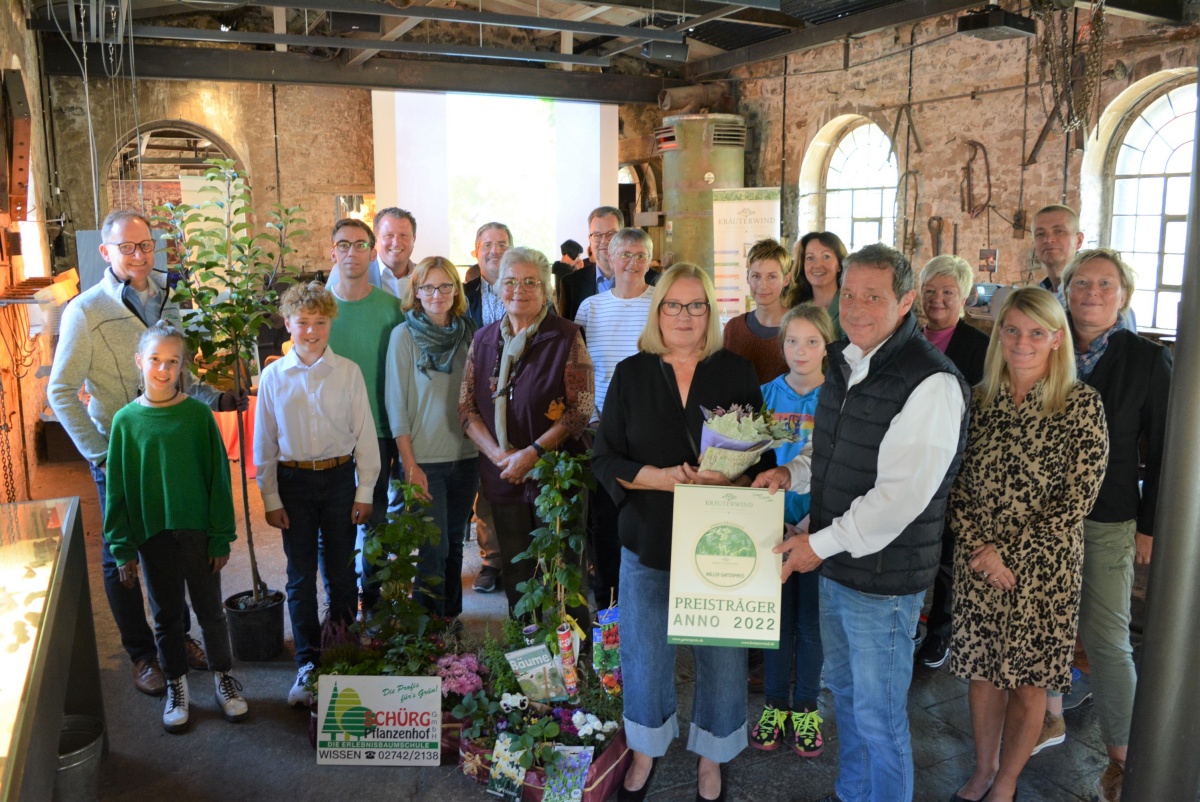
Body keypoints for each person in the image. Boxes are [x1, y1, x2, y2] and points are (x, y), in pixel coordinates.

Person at [753, 243, 969, 802]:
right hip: (838, 565)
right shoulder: (845, 361)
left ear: (904, 302)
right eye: (849, 294)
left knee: (879, 717)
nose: (855, 307)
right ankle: (852, 793)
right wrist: (790, 476)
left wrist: (816, 544)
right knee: (844, 697)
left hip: (882, 578)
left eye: (873, 296)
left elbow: (899, 498)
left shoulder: (930, 382)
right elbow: (831, 455)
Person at [592, 263, 775, 802]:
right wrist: (661, 480)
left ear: (710, 314)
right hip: (648, 534)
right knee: (645, 652)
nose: (685, 316)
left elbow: (755, 455)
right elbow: (607, 458)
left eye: (697, 306)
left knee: (720, 653)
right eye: (674, 305)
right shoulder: (631, 373)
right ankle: (646, 747)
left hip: (720, 540)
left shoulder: (736, 373)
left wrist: (731, 475)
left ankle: (712, 756)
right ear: (658, 311)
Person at [47, 209, 242, 696]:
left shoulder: (168, 299)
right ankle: (141, 654)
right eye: (128, 247)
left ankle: (176, 640)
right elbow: (61, 390)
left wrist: (213, 399)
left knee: (175, 545)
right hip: (123, 450)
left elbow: (179, 371)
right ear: (106, 251)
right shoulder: (85, 311)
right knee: (124, 554)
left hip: (172, 443)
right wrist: (101, 454)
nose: (139, 255)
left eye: (147, 245)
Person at [948, 288, 1108, 802]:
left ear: (1056, 339)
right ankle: (982, 768)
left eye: (1036, 332)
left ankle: (1008, 781)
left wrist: (1007, 555)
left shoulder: (1082, 405)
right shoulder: (977, 399)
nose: (1022, 342)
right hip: (978, 562)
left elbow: (1076, 499)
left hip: (1043, 570)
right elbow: (954, 483)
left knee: (1029, 680)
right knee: (981, 673)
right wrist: (981, 550)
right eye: (1012, 330)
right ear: (999, 336)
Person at [1053, 249, 1171, 802]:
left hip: (1108, 515)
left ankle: (1124, 759)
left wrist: (1150, 526)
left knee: (1105, 637)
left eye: (1105, 284)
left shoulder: (1146, 360)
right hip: (1043, 517)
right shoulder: (1048, 345)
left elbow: (1164, 449)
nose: (1092, 293)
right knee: (1044, 628)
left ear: (1121, 295)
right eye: (1082, 282)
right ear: (1068, 289)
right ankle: (1044, 720)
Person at [104, 321, 250, 733]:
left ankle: (223, 678)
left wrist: (221, 534)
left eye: (172, 362)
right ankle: (176, 684)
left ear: (183, 366)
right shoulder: (126, 422)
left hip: (198, 534)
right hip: (153, 536)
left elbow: (217, 480)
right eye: (155, 360)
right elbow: (118, 491)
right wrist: (122, 548)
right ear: (139, 362)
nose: (163, 370)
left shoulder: (197, 416)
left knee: (211, 612)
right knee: (167, 616)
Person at [253, 282, 380, 707]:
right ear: (287, 324)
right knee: (300, 574)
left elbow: (365, 437)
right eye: (302, 322)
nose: (311, 331)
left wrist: (365, 490)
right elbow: (264, 442)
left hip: (341, 479)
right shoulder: (273, 377)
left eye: (320, 322)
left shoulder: (348, 373)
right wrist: (270, 497)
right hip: (295, 484)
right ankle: (308, 663)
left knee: (344, 573)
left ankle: (341, 649)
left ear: (331, 323)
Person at [459, 247, 594, 617]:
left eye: (531, 282)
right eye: (511, 281)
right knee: (519, 576)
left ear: (547, 289)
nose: (520, 289)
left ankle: (573, 663)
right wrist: (499, 456)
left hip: (555, 476)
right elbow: (467, 409)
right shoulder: (483, 339)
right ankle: (529, 660)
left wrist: (531, 454)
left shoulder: (566, 336)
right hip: (502, 476)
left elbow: (580, 410)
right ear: (499, 287)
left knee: (565, 572)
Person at [750, 303, 834, 758]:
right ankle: (775, 703)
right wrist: (773, 520)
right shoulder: (765, 395)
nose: (800, 351)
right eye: (791, 341)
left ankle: (806, 705)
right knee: (775, 621)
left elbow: (842, 468)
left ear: (827, 345)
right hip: (772, 526)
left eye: (811, 341)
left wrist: (810, 524)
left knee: (811, 622)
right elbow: (755, 460)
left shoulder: (838, 397)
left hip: (819, 529)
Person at [385, 257, 479, 619]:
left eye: (444, 286)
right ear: (417, 292)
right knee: (432, 549)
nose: (436, 294)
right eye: (427, 287)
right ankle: (428, 631)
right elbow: (397, 405)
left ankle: (450, 620)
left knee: (455, 544)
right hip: (424, 461)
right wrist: (409, 463)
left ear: (456, 290)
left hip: (466, 457)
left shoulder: (470, 333)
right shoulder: (403, 336)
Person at [325, 218, 405, 612]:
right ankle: (338, 605)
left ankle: (372, 600)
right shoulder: (321, 311)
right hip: (331, 432)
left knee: (374, 517)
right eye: (344, 245)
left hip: (380, 427)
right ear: (333, 252)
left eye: (360, 245)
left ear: (373, 253)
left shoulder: (391, 308)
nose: (351, 253)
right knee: (336, 519)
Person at [915, 255, 991, 670]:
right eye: (930, 291)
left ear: (964, 296)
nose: (938, 300)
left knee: (947, 556)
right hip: (910, 464)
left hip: (954, 468)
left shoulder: (978, 347)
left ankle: (940, 632)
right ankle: (908, 625)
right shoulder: (908, 337)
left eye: (947, 292)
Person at [574, 227, 656, 608]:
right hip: (601, 429)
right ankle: (608, 607)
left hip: (648, 429)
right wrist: (590, 417)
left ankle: (644, 603)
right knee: (604, 524)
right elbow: (579, 370)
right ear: (608, 256)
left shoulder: (661, 304)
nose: (632, 262)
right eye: (625, 254)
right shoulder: (590, 307)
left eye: (641, 255)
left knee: (645, 521)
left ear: (650, 260)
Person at [462, 221, 513, 595]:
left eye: (502, 244)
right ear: (475, 251)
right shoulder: (462, 296)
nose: (494, 250)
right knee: (487, 486)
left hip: (523, 399)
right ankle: (492, 561)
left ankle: (527, 556)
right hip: (477, 401)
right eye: (488, 244)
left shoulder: (528, 289)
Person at [722, 238, 792, 384]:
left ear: (786, 279)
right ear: (747, 277)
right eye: (756, 276)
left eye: (772, 277)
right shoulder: (733, 328)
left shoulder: (799, 327)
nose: (762, 285)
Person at [326, 207, 418, 298]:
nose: (396, 242)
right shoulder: (351, 270)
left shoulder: (424, 276)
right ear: (375, 239)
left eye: (403, 235)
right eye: (389, 235)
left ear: (413, 239)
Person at [785, 231, 847, 339]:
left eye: (826, 256)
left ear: (839, 265)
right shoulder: (793, 306)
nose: (817, 265)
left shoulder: (851, 306)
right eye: (810, 258)